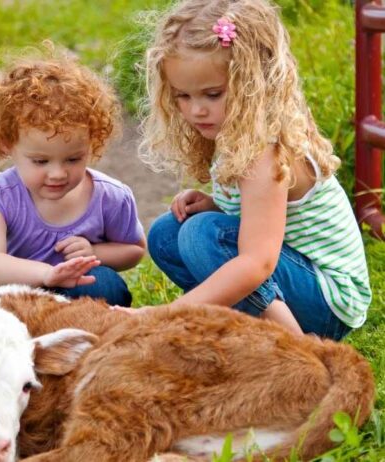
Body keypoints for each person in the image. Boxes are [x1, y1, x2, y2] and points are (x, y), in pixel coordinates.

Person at [128, 0, 371, 339]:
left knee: (203, 235)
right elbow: (264, 218)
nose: (196, 110)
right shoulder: (236, 133)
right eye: (182, 95)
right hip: (294, 277)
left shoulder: (263, 153)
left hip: (328, 302)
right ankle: (240, 328)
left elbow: (258, 263)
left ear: (253, 84)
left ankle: (300, 350)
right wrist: (216, 204)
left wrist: (164, 315)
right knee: (168, 234)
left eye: (212, 94)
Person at [0, 46, 146, 306]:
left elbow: (134, 250)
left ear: (93, 143)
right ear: (8, 144)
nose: (57, 174)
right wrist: (47, 275)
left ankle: (89, 341)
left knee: (105, 283)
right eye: (41, 161)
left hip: (78, 292)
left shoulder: (110, 196)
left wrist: (94, 252)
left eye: (73, 159)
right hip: (19, 296)